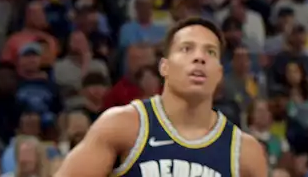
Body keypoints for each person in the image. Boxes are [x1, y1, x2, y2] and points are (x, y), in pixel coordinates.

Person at [53, 18, 268, 177]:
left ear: (219, 73)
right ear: (164, 67)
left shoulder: (245, 151)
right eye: (187, 49)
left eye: (210, 52)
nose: (199, 58)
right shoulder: (123, 126)